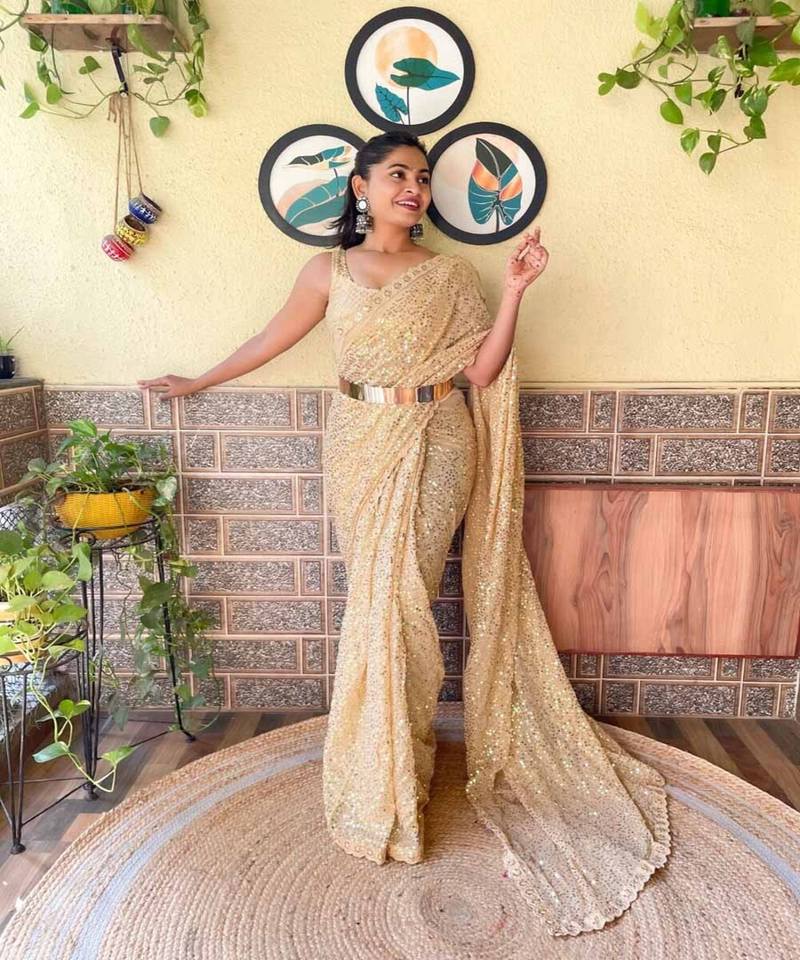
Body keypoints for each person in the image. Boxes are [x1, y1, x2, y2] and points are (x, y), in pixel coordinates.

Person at [139, 131, 671, 938]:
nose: (413, 188)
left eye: (421, 177)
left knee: (404, 602)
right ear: (361, 186)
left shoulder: (451, 276)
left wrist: (516, 290)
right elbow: (270, 338)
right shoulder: (327, 271)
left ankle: (395, 775)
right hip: (359, 442)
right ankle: (387, 769)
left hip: (440, 441)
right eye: (397, 175)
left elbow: (480, 373)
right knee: (378, 601)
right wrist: (198, 379)